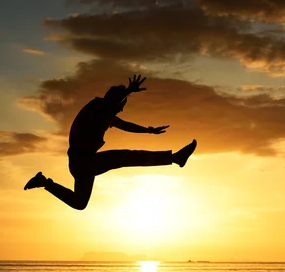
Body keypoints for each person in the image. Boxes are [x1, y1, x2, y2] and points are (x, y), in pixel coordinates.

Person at [24, 74, 197, 210]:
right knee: (126, 157)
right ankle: (175, 158)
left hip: (81, 165)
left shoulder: (101, 112)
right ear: (116, 102)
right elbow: (118, 115)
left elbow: (122, 122)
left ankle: (44, 182)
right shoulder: (98, 109)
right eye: (121, 107)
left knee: (80, 203)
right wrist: (128, 91)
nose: (121, 110)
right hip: (84, 162)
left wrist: (147, 129)